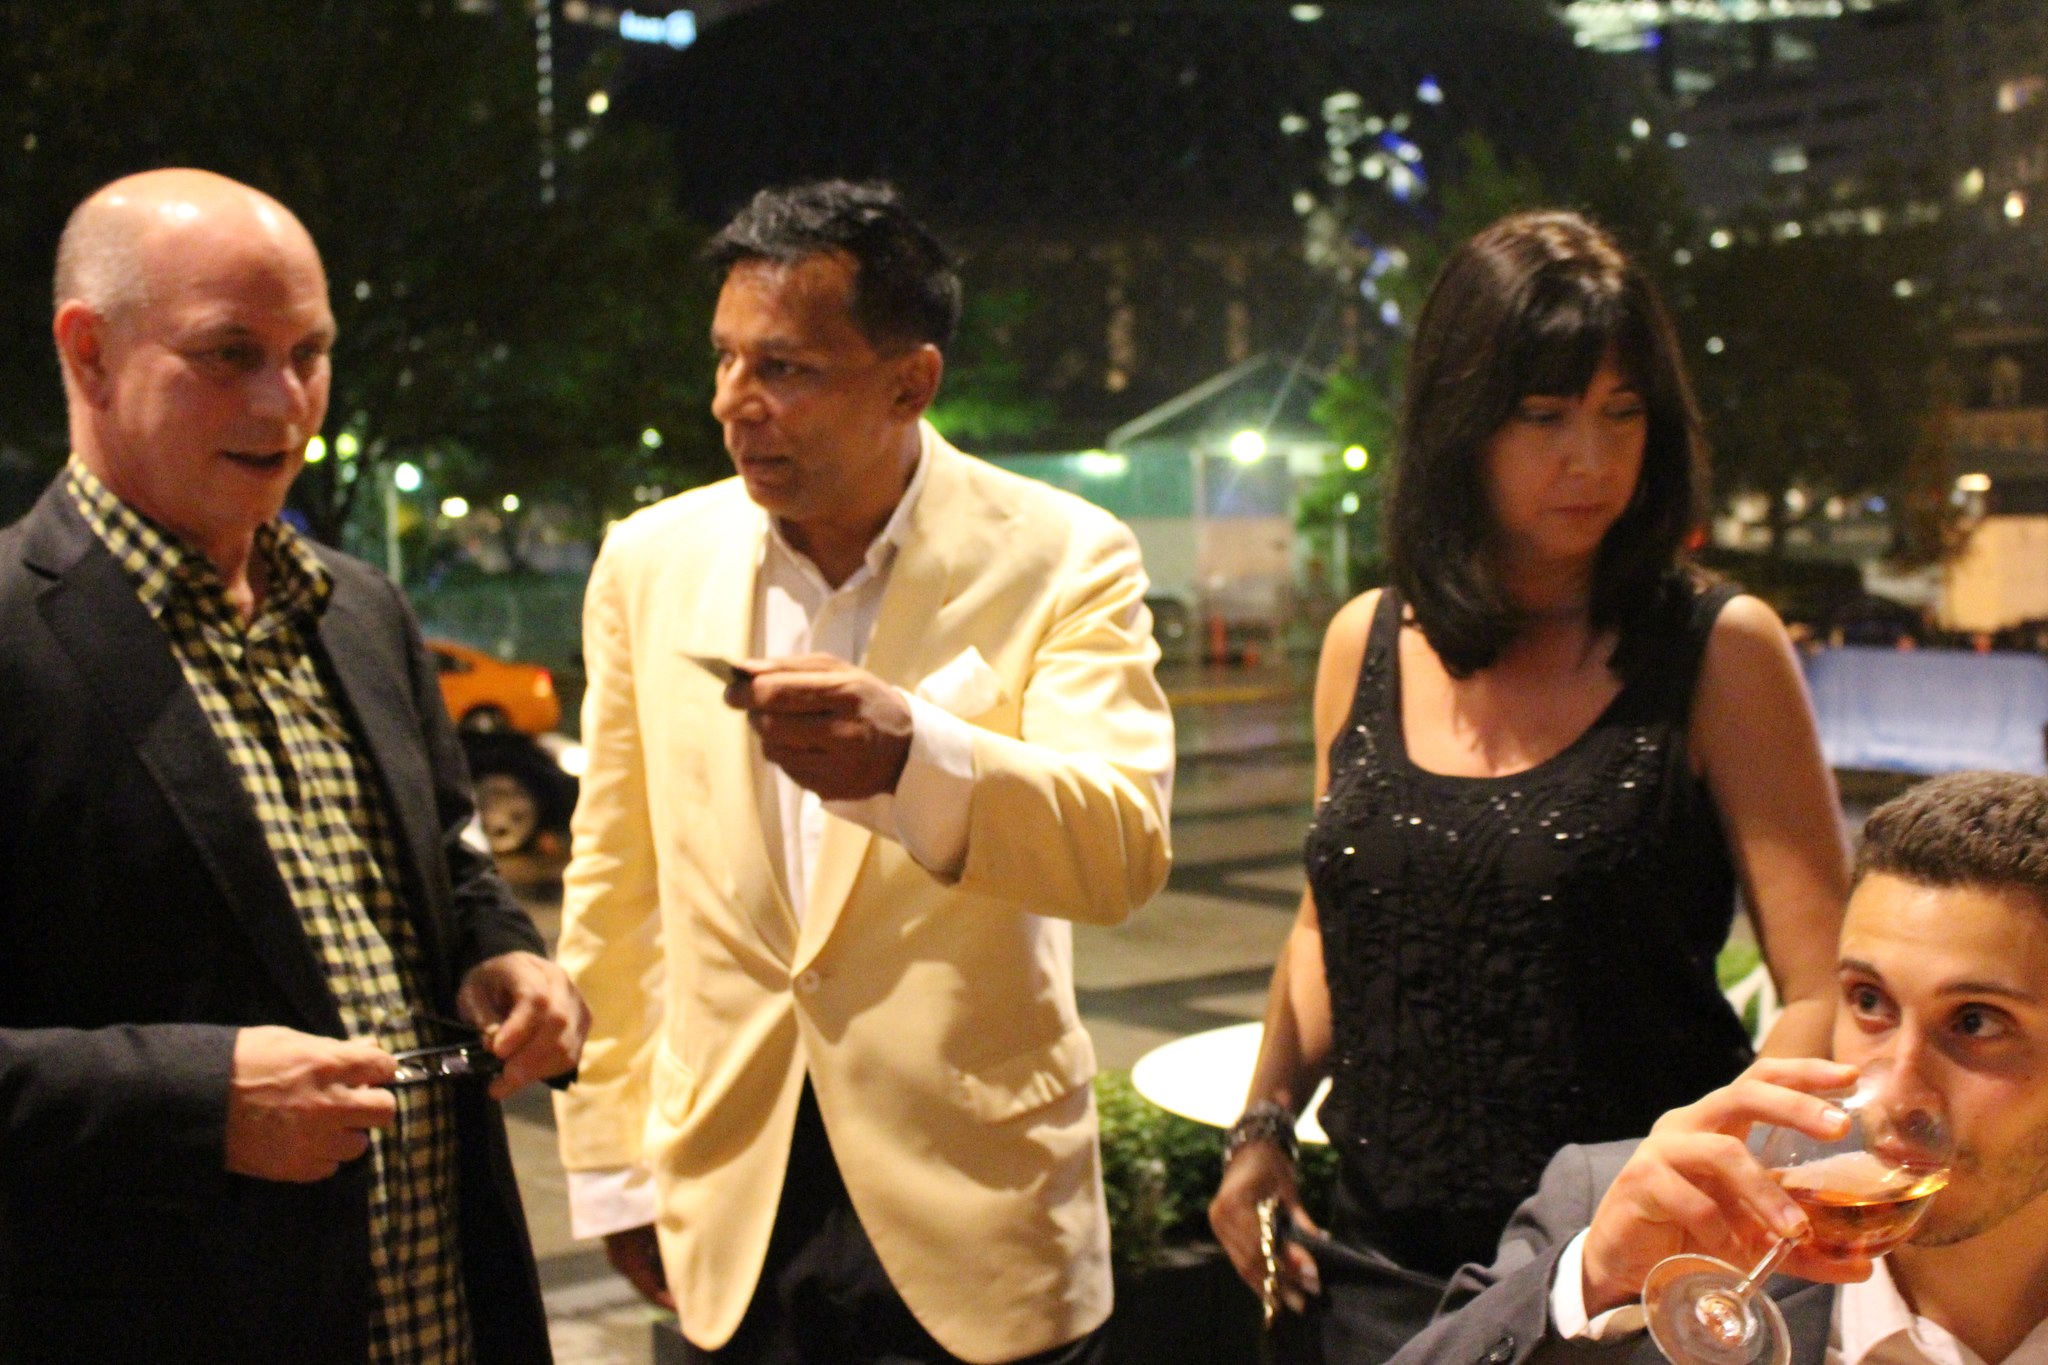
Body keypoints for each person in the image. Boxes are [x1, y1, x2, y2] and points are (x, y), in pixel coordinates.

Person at [551, 180, 1174, 1365]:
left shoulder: (1063, 555)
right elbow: (613, 878)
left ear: (910, 382)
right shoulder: (649, 561)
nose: (736, 405)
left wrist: (913, 758)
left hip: (977, 1211)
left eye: (785, 370)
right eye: (726, 360)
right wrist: (609, 1163)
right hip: (728, 1204)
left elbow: (1120, 850)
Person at [1211, 209, 1848, 1362]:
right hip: (1367, 1267)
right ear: (1459, 424)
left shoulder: (1716, 647)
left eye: (1621, 415)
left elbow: (1819, 994)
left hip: (1616, 1281)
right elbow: (1327, 926)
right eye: (1543, 416)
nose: (1590, 461)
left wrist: (1710, 1184)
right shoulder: (1364, 640)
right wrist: (1261, 1123)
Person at [0, 168, 586, 1364]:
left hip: (443, 1315)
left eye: (310, 351)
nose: (288, 401)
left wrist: (504, 952)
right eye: (229, 353)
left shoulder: (359, 611)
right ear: (89, 351)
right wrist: (193, 1096)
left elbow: (443, 860)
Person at [1389, 769, 2048, 1365]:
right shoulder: (1636, 1224)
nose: (1899, 1085)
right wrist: (1591, 1281)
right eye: (1870, 1002)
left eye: (1975, 1022)